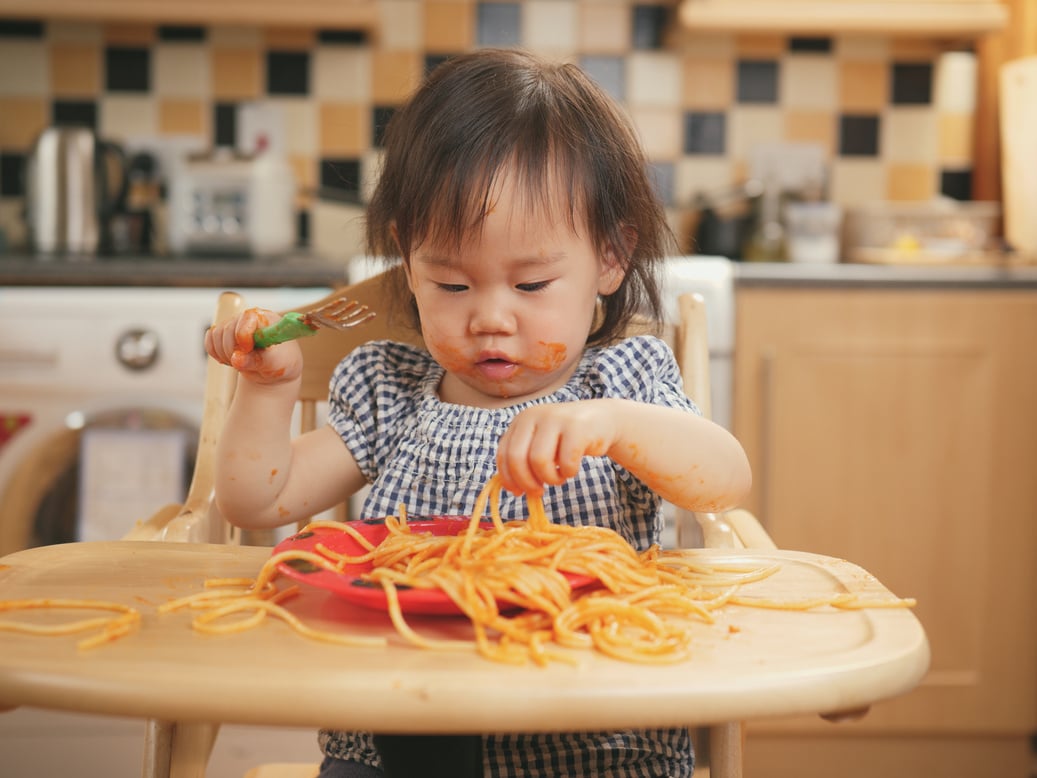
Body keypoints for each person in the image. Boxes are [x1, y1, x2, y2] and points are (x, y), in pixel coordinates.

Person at [205, 48, 751, 778]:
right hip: (397, 731)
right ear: (407, 261)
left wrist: (612, 425)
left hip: (596, 736)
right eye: (451, 283)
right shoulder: (390, 389)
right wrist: (268, 393)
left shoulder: (624, 377)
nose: (490, 318)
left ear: (610, 259)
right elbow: (257, 500)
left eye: (531, 283)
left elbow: (723, 481)